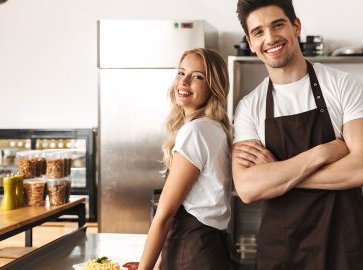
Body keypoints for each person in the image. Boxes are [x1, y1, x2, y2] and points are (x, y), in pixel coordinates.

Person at [233, 0, 363, 269]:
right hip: (281, 252)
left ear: (296, 26)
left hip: (342, 247)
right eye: (258, 32)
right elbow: (247, 188)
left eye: (277, 25)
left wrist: (277, 174)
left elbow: (360, 168)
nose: (270, 38)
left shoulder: (342, 85)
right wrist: (323, 152)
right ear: (251, 41)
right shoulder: (249, 106)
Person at [138, 48, 233, 270]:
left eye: (198, 76)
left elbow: (164, 214)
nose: (184, 81)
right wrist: (163, 256)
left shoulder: (196, 132)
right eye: (181, 73)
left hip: (192, 255)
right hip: (206, 250)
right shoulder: (214, 129)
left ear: (213, 87)